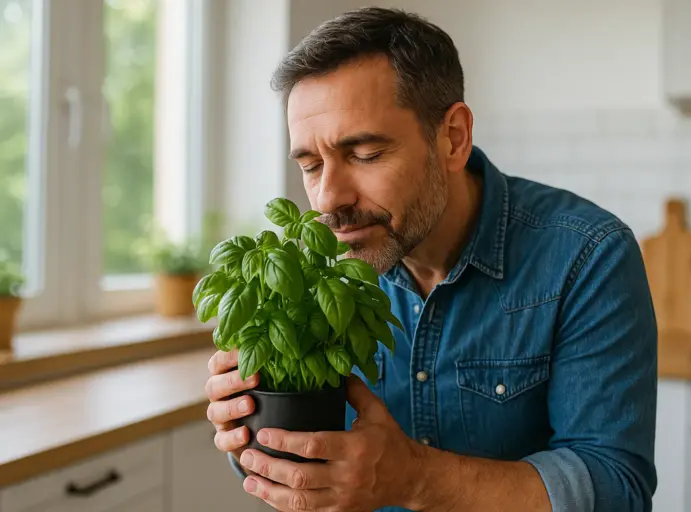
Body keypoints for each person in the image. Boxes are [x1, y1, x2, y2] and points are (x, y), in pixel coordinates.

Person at [203, 6, 658, 512]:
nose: (329, 199)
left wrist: (414, 480)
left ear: (453, 138)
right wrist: (252, 428)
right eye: (310, 165)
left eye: (365, 154)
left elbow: (616, 490)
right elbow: (307, 459)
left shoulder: (586, 254)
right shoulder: (313, 273)